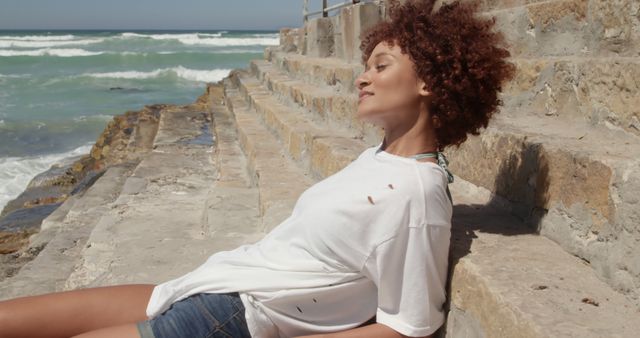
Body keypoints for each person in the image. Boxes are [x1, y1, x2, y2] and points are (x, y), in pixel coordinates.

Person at [0, 0, 515, 337]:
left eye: (381, 66)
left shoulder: (416, 193)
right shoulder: (380, 158)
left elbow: (408, 327)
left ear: (430, 82)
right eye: (366, 65)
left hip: (231, 319)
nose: (362, 78)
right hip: (207, 286)